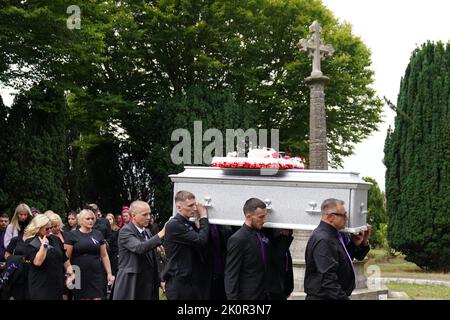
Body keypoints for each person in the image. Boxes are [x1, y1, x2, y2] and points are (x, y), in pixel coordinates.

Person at [304, 198, 371, 300]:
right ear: (331, 217)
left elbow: (346, 259)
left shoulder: (336, 234)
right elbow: (327, 279)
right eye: (343, 215)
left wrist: (359, 242)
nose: (347, 218)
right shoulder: (324, 239)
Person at [113, 201, 166, 300]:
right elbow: (139, 248)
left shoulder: (147, 232)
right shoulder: (125, 231)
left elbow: (153, 260)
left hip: (148, 284)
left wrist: (159, 280)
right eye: (144, 214)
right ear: (133, 216)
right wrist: (161, 233)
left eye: (149, 214)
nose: (148, 217)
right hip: (131, 283)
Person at [163, 190, 209, 300]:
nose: (194, 208)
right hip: (178, 282)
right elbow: (201, 240)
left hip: (188, 280)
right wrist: (203, 217)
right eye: (190, 205)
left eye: (195, 205)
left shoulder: (186, 223)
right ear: (178, 207)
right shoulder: (175, 225)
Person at [224, 198, 270, 300]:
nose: (264, 220)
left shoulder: (260, 233)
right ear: (248, 216)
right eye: (261, 217)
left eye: (265, 216)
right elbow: (231, 273)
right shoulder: (238, 239)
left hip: (263, 294)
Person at [65, 209, 114, 300]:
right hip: (78, 272)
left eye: (92, 218)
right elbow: (66, 257)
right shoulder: (72, 235)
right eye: (87, 219)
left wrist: (109, 273)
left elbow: (104, 255)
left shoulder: (98, 234)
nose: (91, 221)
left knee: (98, 297)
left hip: (96, 271)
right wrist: (70, 272)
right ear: (81, 220)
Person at [24, 214, 75, 300]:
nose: (50, 231)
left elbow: (65, 259)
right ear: (38, 228)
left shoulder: (55, 239)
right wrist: (44, 246)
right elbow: (37, 262)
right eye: (47, 229)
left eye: (51, 228)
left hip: (56, 283)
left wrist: (71, 273)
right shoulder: (31, 242)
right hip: (41, 285)